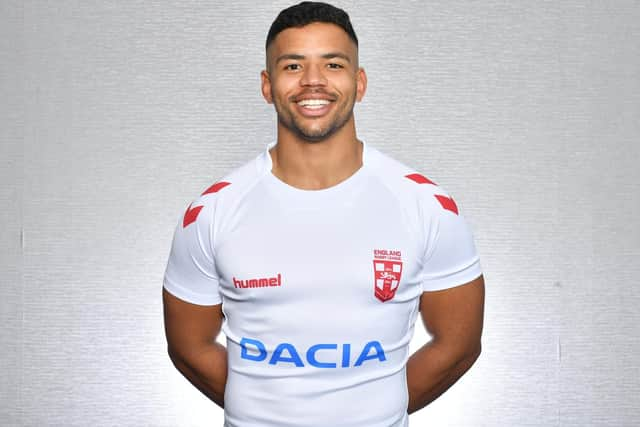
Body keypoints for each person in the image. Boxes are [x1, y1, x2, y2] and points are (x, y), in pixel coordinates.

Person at [162, 2, 485, 426]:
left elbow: (459, 345)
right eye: (293, 66)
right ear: (267, 85)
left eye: (333, 64)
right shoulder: (212, 211)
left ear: (360, 82)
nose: (313, 81)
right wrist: (262, 405)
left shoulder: (427, 207)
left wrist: (376, 410)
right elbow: (188, 347)